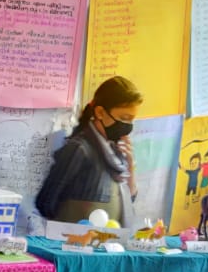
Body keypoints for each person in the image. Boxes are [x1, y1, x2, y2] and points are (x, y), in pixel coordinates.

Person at [36, 76, 142, 226]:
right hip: (76, 238)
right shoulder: (79, 149)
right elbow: (45, 202)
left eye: (132, 120)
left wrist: (130, 168)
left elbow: (129, 200)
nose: (128, 126)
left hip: (109, 238)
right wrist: (72, 225)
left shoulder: (116, 151)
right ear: (100, 112)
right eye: (124, 118)